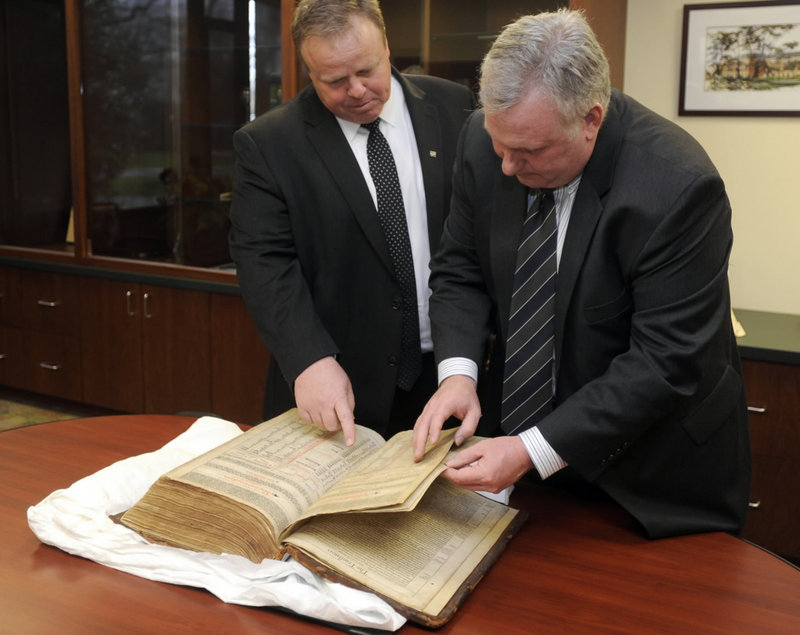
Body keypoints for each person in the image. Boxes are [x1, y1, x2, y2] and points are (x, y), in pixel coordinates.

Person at [412, 9, 750, 538]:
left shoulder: (678, 187)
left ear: (590, 119)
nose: (506, 166)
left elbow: (664, 362)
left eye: (528, 151)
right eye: (500, 145)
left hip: (647, 480)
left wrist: (533, 449)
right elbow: (459, 268)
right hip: (523, 462)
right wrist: (459, 372)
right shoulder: (488, 140)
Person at [228, 0, 475, 443]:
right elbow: (264, 262)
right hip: (334, 381)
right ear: (308, 70)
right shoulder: (269, 144)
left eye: (366, 70)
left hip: (447, 377)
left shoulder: (454, 107)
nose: (357, 90)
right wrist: (308, 359)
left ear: (386, 45)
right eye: (335, 81)